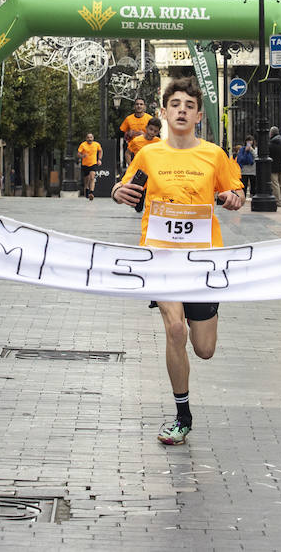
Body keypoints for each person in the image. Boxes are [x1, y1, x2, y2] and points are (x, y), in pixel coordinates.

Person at [112, 78, 244, 446]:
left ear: (199, 115)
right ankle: (182, 414)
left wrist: (234, 198)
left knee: (204, 349)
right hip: (160, 256)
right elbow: (125, 187)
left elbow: (233, 191)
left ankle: (201, 327)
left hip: (202, 260)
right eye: (175, 104)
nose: (182, 110)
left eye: (189, 105)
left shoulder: (214, 155)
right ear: (165, 112)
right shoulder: (149, 154)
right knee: (175, 331)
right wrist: (116, 191)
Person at [120, 97, 152, 162]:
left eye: (141, 104)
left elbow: (156, 135)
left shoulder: (150, 119)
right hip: (132, 151)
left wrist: (145, 135)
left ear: (144, 106)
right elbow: (121, 134)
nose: (139, 106)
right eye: (137, 104)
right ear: (134, 106)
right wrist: (128, 133)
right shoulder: (128, 119)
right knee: (134, 170)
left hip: (146, 150)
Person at [76, 133, 103, 200]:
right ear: (86, 138)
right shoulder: (83, 145)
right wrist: (82, 156)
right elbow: (78, 154)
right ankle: (87, 189)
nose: (90, 139)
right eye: (88, 137)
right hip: (85, 164)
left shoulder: (96, 144)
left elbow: (100, 151)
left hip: (93, 163)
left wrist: (99, 159)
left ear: (93, 138)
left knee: (92, 177)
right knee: (86, 180)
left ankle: (91, 193)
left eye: (91, 137)